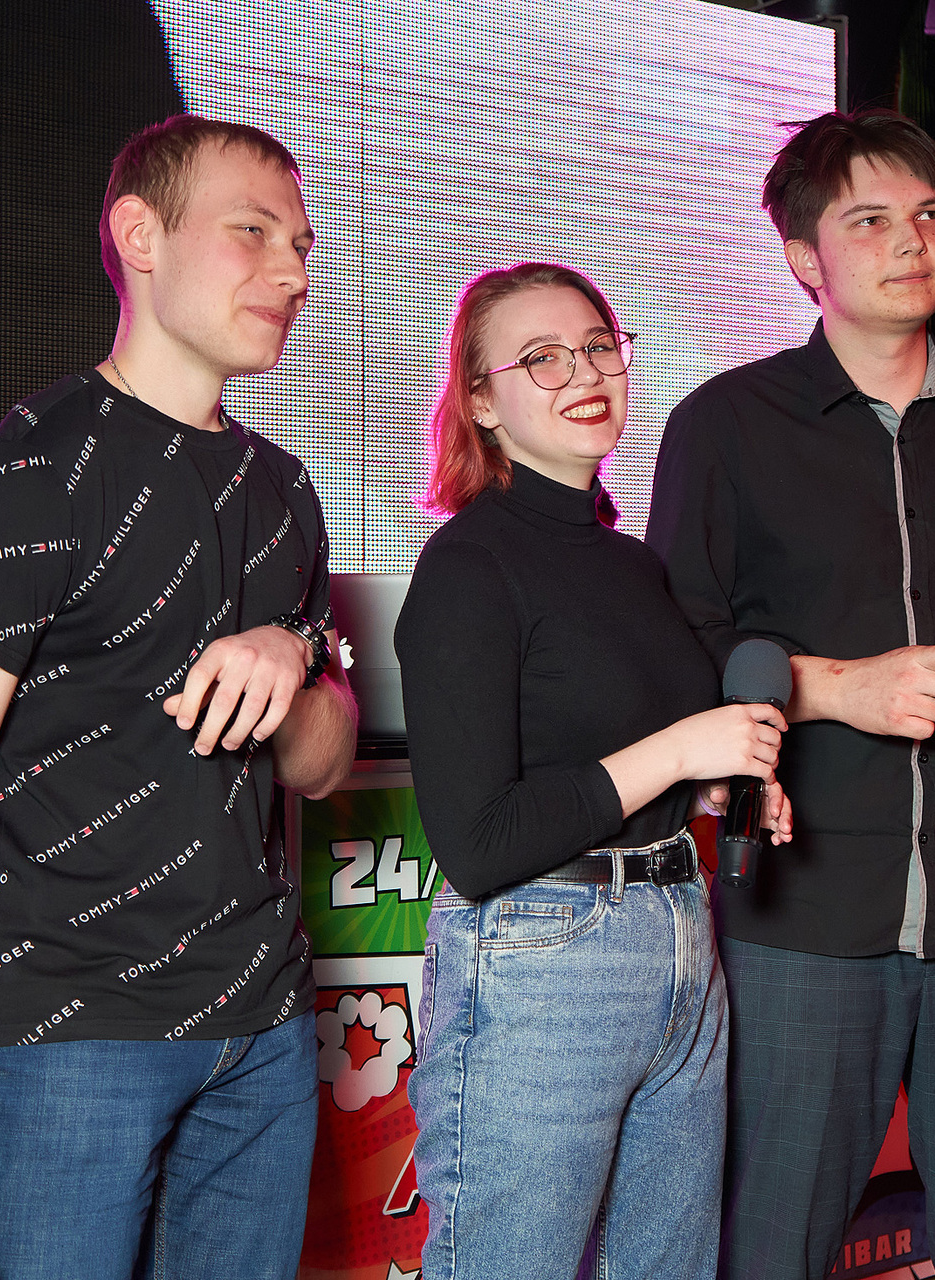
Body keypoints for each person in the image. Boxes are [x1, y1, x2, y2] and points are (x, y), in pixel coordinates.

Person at [0, 114, 357, 1279]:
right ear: (141, 236)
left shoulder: (287, 491)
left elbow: (322, 761)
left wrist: (292, 660)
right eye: (254, 233)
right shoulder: (38, 467)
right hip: (67, 1038)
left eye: (302, 245)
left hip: (258, 1034)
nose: (295, 272)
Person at [647, 109, 935, 1280]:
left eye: (930, 216)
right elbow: (678, 646)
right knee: (771, 1245)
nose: (912, 241)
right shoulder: (725, 425)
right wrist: (841, 688)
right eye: (870, 220)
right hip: (804, 915)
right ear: (803, 257)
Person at [395, 262, 794, 1280]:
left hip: (680, 933)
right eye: (542, 357)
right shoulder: (468, 564)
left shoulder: (632, 563)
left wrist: (715, 784)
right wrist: (681, 750)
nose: (584, 372)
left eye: (598, 346)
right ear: (482, 401)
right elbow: (478, 844)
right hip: (544, 959)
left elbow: (617, 753)